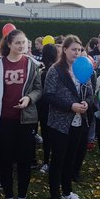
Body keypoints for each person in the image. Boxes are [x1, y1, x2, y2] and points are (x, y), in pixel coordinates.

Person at [0, 29, 42, 199]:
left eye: (24, 42)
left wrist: (29, 98)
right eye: (18, 43)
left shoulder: (31, 64)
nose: (22, 46)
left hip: (26, 121)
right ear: (9, 44)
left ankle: (22, 197)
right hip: (3, 120)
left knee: (24, 160)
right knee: (4, 159)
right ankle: (8, 196)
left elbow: (38, 89)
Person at [43, 35, 95, 199]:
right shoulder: (55, 71)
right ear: (64, 50)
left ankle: (66, 192)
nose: (77, 53)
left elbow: (90, 93)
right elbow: (48, 96)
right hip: (59, 123)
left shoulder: (84, 68)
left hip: (79, 122)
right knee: (58, 161)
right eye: (73, 49)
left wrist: (87, 104)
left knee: (71, 159)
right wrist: (69, 106)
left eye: (80, 50)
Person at [36, 44, 58, 174]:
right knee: (54, 135)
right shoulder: (54, 69)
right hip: (53, 106)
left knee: (46, 134)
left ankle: (46, 161)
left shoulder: (44, 71)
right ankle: (49, 161)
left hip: (44, 107)